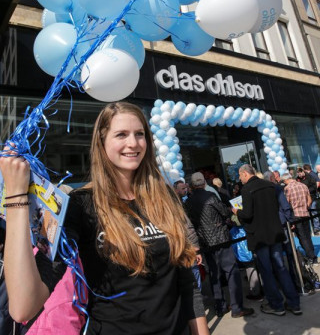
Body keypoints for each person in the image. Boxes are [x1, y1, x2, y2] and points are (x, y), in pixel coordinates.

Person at [0, 102, 209, 335]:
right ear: (101, 143)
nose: (133, 143)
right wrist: (16, 197)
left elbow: (187, 281)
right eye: (121, 134)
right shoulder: (81, 205)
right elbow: (23, 308)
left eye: (140, 134)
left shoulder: (165, 197)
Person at [233, 164, 301, 317]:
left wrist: (238, 212)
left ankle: (277, 305)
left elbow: (248, 214)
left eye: (239, 175)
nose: (239, 178)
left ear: (245, 174)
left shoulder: (247, 189)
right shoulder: (271, 186)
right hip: (274, 233)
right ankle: (294, 303)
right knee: (281, 267)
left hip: (260, 236)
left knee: (267, 271)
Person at [185, 172, 254, 319]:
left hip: (205, 242)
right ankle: (237, 307)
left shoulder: (188, 202)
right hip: (221, 239)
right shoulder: (210, 196)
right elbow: (224, 212)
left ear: (192, 185)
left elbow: (189, 222)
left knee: (214, 274)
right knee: (231, 272)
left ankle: (220, 306)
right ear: (204, 183)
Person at [282, 173, 318, 265]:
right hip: (305, 213)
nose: (284, 183)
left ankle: (311, 257)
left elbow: (287, 203)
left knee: (302, 237)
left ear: (286, 180)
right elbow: (309, 200)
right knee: (307, 236)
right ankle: (312, 256)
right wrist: (305, 207)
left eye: (284, 181)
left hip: (295, 214)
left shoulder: (287, 188)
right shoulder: (303, 185)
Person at [298, 166, 320, 234]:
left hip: (312, 197)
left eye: (300, 173)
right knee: (307, 214)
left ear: (303, 172)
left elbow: (314, 187)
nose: (299, 174)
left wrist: (306, 191)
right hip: (303, 199)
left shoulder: (310, 177)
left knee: (314, 213)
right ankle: (309, 229)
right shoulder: (298, 179)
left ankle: (316, 228)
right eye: (298, 173)